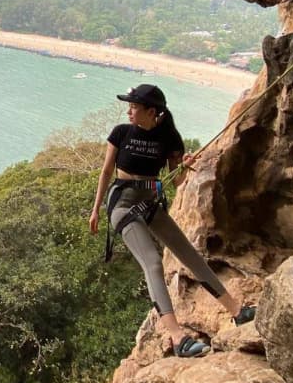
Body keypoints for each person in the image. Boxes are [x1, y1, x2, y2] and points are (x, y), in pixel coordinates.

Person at [89, 84, 255, 358]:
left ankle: (238, 312)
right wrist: (96, 209)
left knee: (189, 254)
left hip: (151, 202)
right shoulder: (121, 133)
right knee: (152, 263)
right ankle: (178, 338)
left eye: (134, 107)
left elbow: (177, 181)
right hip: (123, 204)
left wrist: (183, 167)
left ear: (152, 112)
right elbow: (106, 172)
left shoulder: (169, 138)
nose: (129, 112)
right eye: (129, 107)